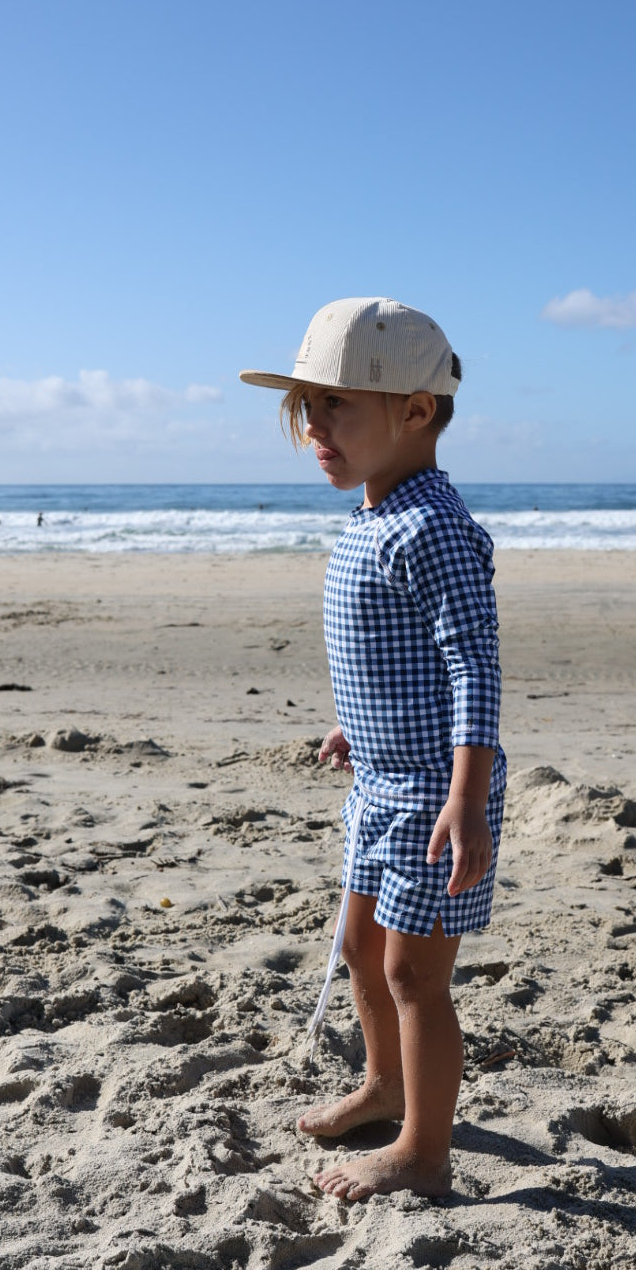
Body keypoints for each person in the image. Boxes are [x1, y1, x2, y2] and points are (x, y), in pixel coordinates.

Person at [240, 297, 506, 1201]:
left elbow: (473, 666)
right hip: (383, 780)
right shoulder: (374, 514)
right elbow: (398, 652)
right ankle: (385, 1086)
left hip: (436, 792)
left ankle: (424, 1153)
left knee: (413, 972)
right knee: (359, 945)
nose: (315, 427)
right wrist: (359, 720)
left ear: (416, 412)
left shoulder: (432, 527)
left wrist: (466, 799)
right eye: (307, 409)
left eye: (337, 406)